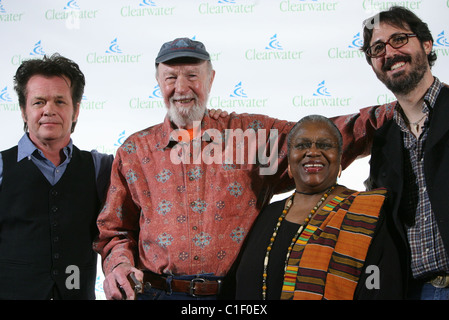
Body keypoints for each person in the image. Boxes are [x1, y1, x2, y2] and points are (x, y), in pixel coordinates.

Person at [93, 37, 296, 300]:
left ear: (211, 79)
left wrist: (369, 120)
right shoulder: (134, 151)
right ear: (158, 83)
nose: (181, 88)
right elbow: (116, 231)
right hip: (157, 294)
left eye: (192, 75)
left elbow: (322, 138)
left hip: (237, 295)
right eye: (170, 78)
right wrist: (119, 266)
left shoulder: (252, 137)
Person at [332, 6, 449, 299]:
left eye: (399, 39)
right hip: (414, 290)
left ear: (426, 44)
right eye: (377, 48)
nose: (389, 53)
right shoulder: (384, 141)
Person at [235, 115, 387, 300]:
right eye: (301, 145)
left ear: (340, 160)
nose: (313, 152)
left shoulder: (368, 213)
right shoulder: (266, 215)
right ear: (289, 162)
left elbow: (379, 286)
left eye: (325, 145)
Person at [0, 54, 113, 299]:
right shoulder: (1, 166)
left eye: (60, 101)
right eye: (39, 102)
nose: (49, 110)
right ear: (23, 110)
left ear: (76, 111)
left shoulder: (100, 167)